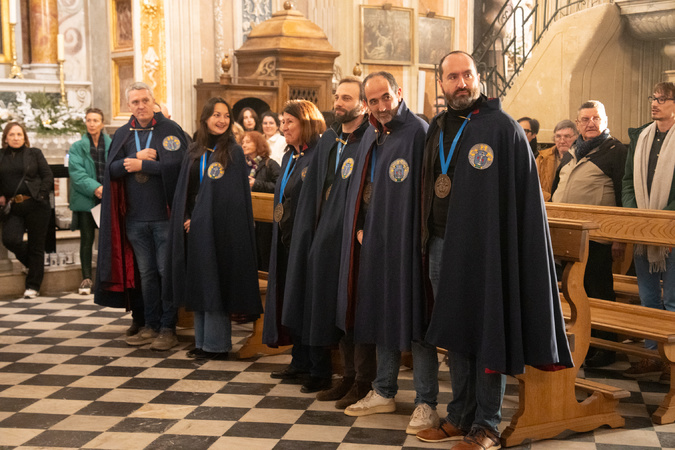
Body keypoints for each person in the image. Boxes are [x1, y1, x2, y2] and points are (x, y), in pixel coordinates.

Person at [416, 51, 572, 450]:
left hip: (486, 251)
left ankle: (486, 425)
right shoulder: (437, 127)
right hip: (440, 246)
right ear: (441, 84)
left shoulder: (502, 128)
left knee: (487, 332)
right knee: (456, 332)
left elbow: (522, 199)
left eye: (467, 75)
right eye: (452, 77)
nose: (461, 83)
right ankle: (459, 415)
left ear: (479, 78)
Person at [337, 71, 440, 435]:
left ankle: (427, 402)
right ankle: (383, 390)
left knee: (417, 324)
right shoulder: (372, 135)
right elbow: (365, 186)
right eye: (373, 101)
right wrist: (362, 225)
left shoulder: (418, 131)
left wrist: (418, 240)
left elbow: (427, 193)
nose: (381, 107)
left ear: (399, 93)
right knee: (382, 314)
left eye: (385, 98)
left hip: (410, 246)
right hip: (376, 243)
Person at [282, 77, 374, 399]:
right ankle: (344, 376)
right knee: (329, 307)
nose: (338, 103)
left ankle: (362, 380)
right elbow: (314, 190)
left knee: (352, 308)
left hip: (351, 238)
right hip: (322, 235)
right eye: (337, 97)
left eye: (346, 98)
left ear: (362, 104)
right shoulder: (330, 138)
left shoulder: (370, 138)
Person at [164, 97, 262, 360]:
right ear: (206, 118)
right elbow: (185, 190)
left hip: (220, 230)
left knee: (215, 283)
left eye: (226, 116)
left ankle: (217, 345)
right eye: (216, 115)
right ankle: (203, 341)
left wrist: (199, 219)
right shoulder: (195, 150)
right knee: (199, 283)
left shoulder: (233, 152)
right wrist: (186, 215)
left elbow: (230, 198)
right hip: (194, 228)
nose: (221, 120)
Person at [95, 81, 188, 349]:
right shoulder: (124, 133)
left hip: (164, 217)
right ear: (128, 106)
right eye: (135, 102)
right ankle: (150, 324)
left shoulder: (169, 130)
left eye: (145, 100)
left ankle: (168, 329)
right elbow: (111, 170)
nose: (141, 105)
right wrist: (133, 160)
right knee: (146, 274)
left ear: (153, 101)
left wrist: (144, 165)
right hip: (134, 219)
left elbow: (179, 168)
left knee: (164, 271)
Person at [552, 99, 627, 368]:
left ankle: (606, 347)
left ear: (605, 121)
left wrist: (619, 237)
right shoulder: (573, 152)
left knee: (598, 291)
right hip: (567, 236)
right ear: (578, 123)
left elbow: (623, 194)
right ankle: (583, 341)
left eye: (595, 118)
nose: (590, 123)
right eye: (584, 119)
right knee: (574, 292)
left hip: (597, 237)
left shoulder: (615, 151)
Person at [262, 100, 326, 383]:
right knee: (292, 300)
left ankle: (318, 368)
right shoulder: (290, 157)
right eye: (282, 121)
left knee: (309, 302)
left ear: (307, 123)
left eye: (289, 122)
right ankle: (299, 360)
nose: (283, 127)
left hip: (308, 241)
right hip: (286, 239)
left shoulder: (319, 155)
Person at [622, 82, 675, 381]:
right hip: (643, 229)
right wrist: (635, 214)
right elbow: (628, 181)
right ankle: (654, 354)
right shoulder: (642, 136)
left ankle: (673, 360)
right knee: (648, 296)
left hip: (671, 229)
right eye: (653, 98)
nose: (655, 103)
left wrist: (662, 219)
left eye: (662, 99)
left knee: (673, 300)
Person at [0, 122, 53, 299]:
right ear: (5, 138)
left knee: (37, 245)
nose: (16, 138)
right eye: (12, 135)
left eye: (19, 134)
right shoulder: (1, 155)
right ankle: (33, 265)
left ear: (25, 137)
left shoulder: (34, 153)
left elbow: (47, 175)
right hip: (13, 206)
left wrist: (42, 195)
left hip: (36, 206)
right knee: (10, 239)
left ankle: (33, 286)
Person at [68, 108, 111, 295]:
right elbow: (77, 174)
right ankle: (86, 278)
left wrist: (106, 189)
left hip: (108, 198)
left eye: (96, 120)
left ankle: (105, 278)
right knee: (86, 239)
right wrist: (96, 187)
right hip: (87, 198)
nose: (92, 123)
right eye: (89, 120)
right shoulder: (77, 147)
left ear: (102, 123)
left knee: (107, 240)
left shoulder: (112, 143)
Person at [242, 130, 281, 271]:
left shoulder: (270, 164)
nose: (244, 145)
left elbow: (280, 186)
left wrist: (256, 184)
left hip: (265, 222)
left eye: (248, 142)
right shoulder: (242, 165)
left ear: (258, 144)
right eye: (243, 142)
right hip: (247, 217)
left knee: (264, 255)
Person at [535, 119, 578, 201]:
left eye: (567, 136)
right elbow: (533, 185)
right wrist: (551, 200)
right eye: (558, 136)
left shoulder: (581, 159)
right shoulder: (542, 158)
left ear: (576, 138)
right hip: (546, 205)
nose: (562, 141)